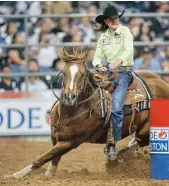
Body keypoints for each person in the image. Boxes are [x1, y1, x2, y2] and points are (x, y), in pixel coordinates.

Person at [92, 6, 134, 160]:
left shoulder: (125, 31)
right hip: (108, 72)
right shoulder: (103, 37)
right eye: (111, 19)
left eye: (116, 18)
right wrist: (98, 65)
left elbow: (128, 50)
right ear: (106, 21)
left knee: (116, 107)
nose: (115, 20)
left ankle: (113, 142)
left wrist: (118, 62)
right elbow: (96, 57)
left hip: (124, 72)